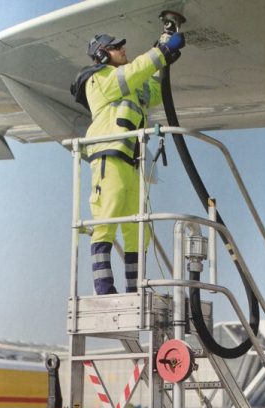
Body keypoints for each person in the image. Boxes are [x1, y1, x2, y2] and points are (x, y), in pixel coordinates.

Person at [71, 32, 185, 294]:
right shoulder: (99, 80)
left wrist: (162, 55)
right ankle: (104, 289)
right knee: (106, 220)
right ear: (101, 55)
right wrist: (161, 52)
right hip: (108, 157)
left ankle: (135, 289)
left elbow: (154, 91)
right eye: (115, 47)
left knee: (137, 227)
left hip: (132, 162)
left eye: (122, 45)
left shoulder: (129, 82)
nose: (123, 49)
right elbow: (134, 72)